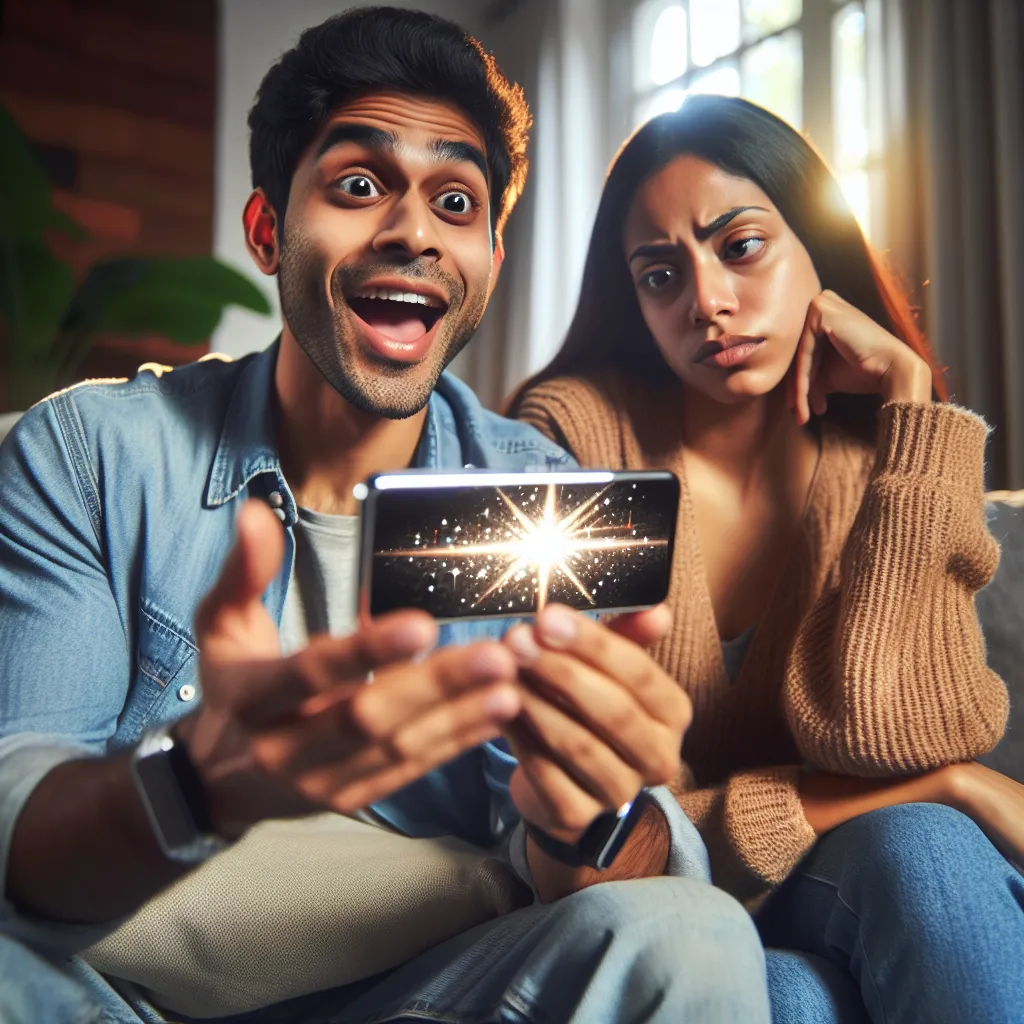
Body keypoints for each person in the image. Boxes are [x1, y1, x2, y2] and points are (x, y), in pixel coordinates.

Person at [0, 12, 773, 1024]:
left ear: (491, 256)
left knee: (694, 931)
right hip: (116, 1002)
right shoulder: (90, 456)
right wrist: (196, 785)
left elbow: (604, 878)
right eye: (359, 185)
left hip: (422, 998)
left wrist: (584, 817)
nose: (413, 231)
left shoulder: (540, 497)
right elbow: (21, 826)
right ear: (269, 230)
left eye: (456, 201)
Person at [508, 95, 1024, 1024]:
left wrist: (913, 402)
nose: (706, 300)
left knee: (928, 850)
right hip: (667, 913)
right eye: (661, 274)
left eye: (739, 246)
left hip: (870, 874)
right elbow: (602, 841)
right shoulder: (577, 440)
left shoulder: (890, 452)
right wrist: (948, 785)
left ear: (815, 246)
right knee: (788, 991)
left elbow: (897, 736)